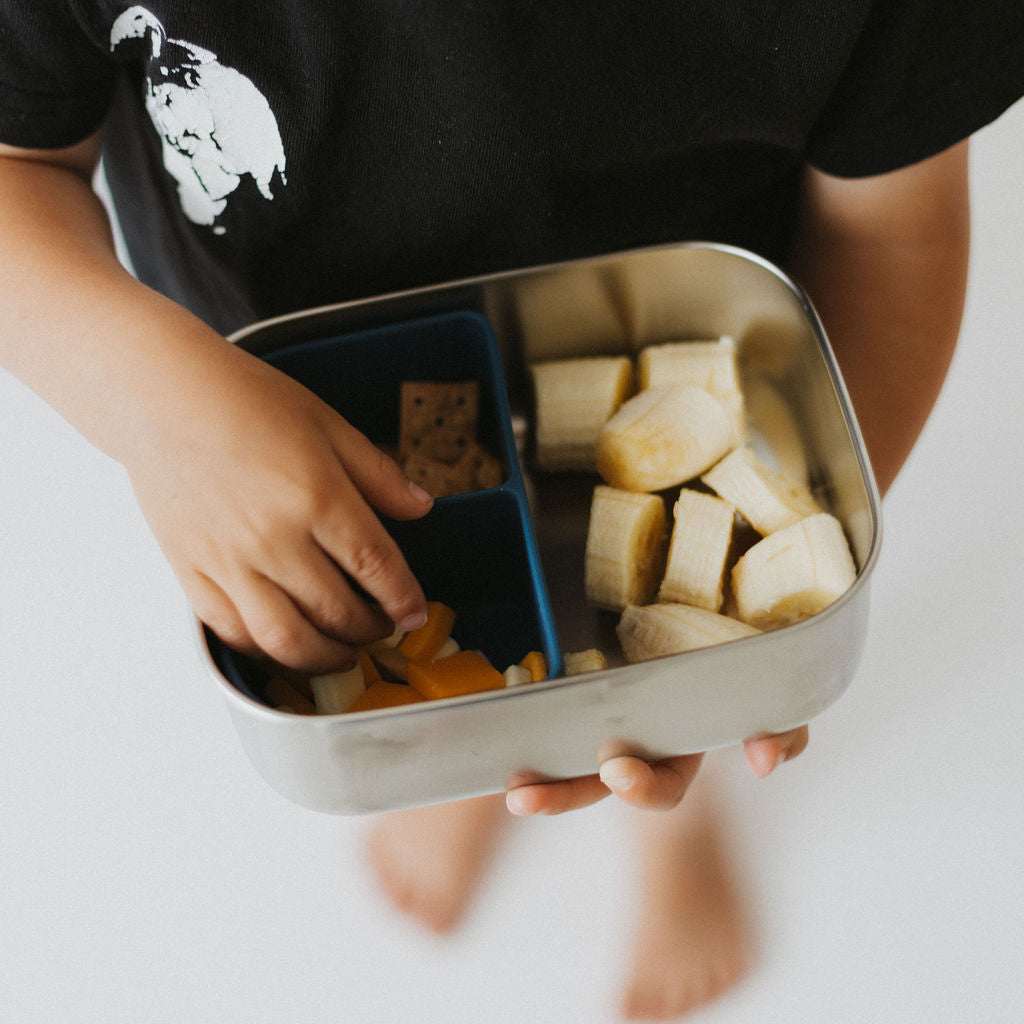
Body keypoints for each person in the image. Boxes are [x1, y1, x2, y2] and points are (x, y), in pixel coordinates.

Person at [1, 3, 1021, 1020]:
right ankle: (463, 761)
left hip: (686, 347)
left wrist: (769, 581)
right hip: (265, 387)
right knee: (431, 644)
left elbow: (893, 234)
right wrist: (152, 405)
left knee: (670, 715)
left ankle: (675, 820)